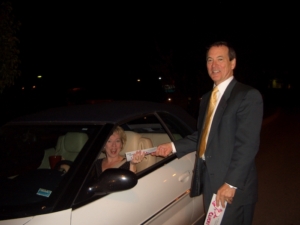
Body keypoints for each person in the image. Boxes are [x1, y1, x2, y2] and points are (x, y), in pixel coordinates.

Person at [152, 41, 263, 224]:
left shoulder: (246, 96)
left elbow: (248, 145)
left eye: (220, 59)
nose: (214, 65)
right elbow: (203, 137)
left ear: (232, 63)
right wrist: (172, 146)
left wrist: (231, 183)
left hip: (232, 187)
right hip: (210, 181)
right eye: (210, 60)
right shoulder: (206, 99)